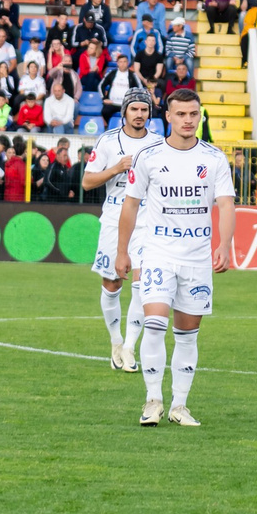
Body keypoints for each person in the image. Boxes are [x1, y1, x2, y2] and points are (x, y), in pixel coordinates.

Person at [115, 90, 236, 428]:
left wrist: (224, 244)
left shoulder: (214, 158)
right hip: (158, 253)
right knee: (154, 324)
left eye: (193, 114)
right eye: (181, 114)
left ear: (200, 116)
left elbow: (226, 204)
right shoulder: (149, 157)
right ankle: (153, 400)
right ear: (168, 116)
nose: (188, 120)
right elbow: (130, 205)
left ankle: (179, 406)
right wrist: (122, 251)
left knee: (188, 334)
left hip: (197, 258)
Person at [83, 93, 163, 371]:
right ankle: (116, 341)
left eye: (144, 109)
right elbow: (87, 181)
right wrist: (116, 168)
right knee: (113, 284)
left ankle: (130, 347)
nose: (139, 113)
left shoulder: (157, 143)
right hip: (114, 218)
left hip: (146, 220)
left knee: (142, 284)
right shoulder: (107, 141)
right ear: (124, 112)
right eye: (134, 109)